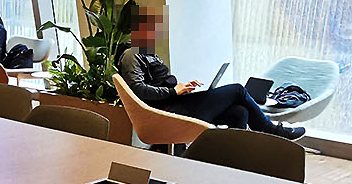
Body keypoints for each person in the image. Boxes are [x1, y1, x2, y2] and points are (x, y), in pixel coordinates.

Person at [117, 45, 305, 141]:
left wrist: (181, 88)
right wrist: (174, 91)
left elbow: (158, 84)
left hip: (176, 103)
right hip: (169, 112)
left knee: (240, 112)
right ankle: (272, 131)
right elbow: (139, 91)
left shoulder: (148, 53)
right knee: (238, 90)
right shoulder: (132, 55)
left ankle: (235, 162)